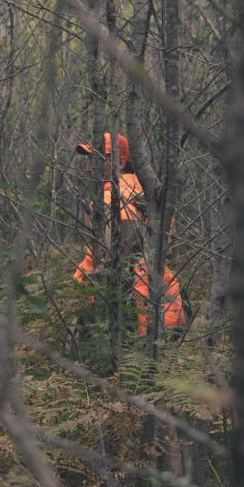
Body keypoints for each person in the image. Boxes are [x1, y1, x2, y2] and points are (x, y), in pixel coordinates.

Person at [72, 132, 189, 336]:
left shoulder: (109, 201)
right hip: (165, 306)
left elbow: (107, 265)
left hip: (123, 313)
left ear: (120, 160)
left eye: (97, 160)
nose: (90, 168)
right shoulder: (147, 192)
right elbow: (171, 251)